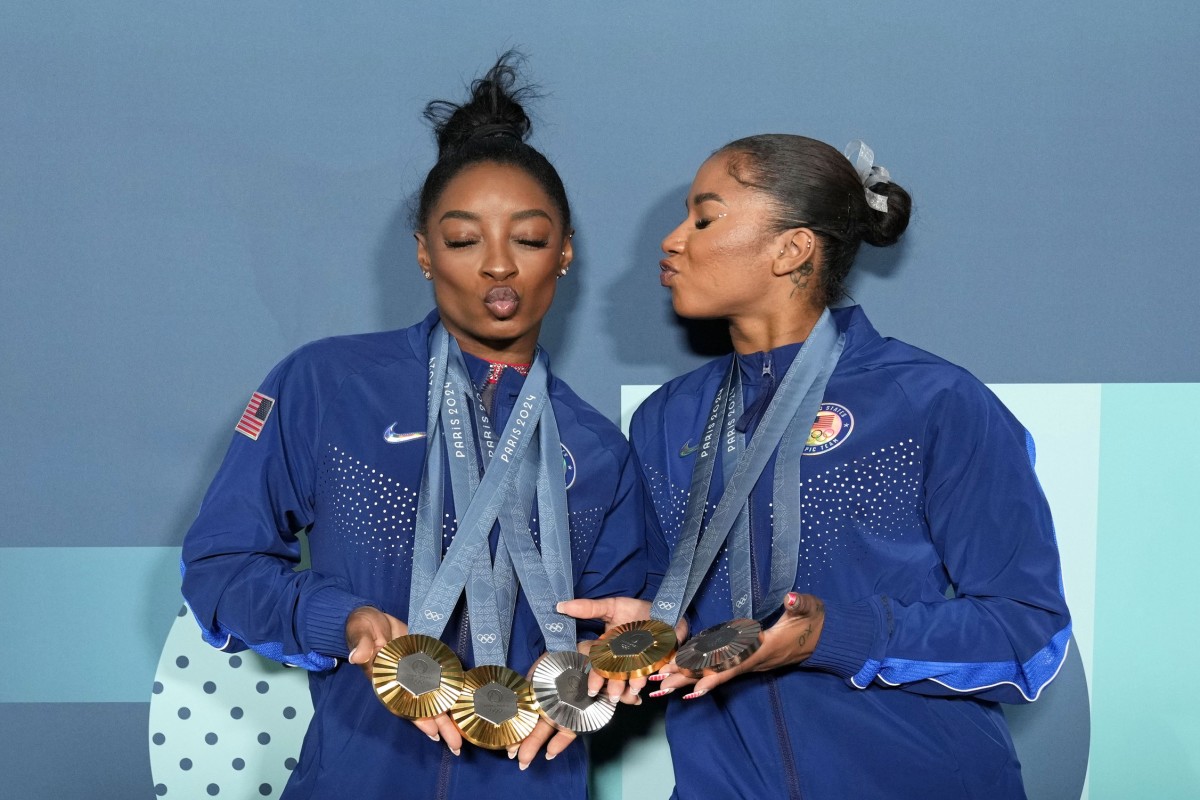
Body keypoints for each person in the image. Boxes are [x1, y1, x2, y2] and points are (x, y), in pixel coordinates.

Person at [181, 54, 646, 800]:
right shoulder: (329, 386)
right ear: (425, 254)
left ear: (563, 255)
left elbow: (622, 633)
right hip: (355, 777)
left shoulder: (597, 448)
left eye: (528, 240)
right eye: (463, 241)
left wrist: (607, 663)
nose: (498, 266)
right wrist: (345, 620)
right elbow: (220, 568)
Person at [560, 135, 1071, 799]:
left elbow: (1026, 634)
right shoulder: (667, 418)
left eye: (704, 218)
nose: (673, 239)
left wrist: (833, 635)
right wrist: (656, 621)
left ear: (791, 248)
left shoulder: (930, 400)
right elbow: (679, 594)